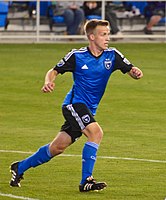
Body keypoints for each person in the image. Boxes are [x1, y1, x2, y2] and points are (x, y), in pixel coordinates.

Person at [10, 19, 143, 192]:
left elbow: (131, 69)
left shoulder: (113, 55)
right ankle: (86, 181)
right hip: (74, 105)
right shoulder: (77, 56)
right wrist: (48, 82)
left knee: (57, 147)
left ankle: (19, 167)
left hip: (88, 109)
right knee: (96, 133)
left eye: (108, 34)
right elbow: (54, 70)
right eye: (104, 34)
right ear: (92, 36)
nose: (107, 38)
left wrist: (136, 72)